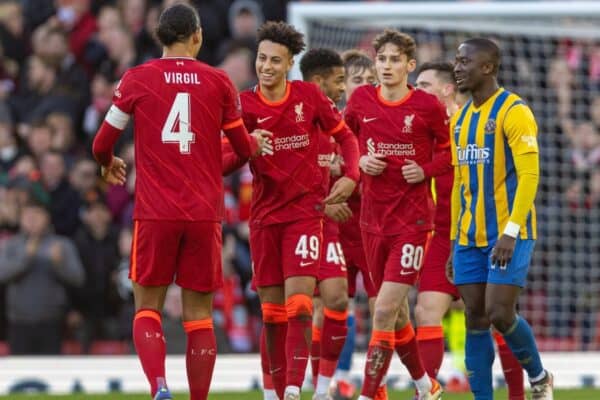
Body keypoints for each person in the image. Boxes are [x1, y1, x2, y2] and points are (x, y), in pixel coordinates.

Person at [91, 4, 268, 400]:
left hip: (155, 213)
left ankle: (159, 386)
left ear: (160, 38)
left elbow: (101, 143)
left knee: (147, 308)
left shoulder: (137, 78)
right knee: (199, 317)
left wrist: (108, 164)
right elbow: (241, 150)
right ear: (198, 36)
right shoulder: (219, 81)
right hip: (204, 214)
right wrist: (253, 144)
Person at [241, 21, 359, 400]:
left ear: (290, 62)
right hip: (263, 220)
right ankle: (272, 393)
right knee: (272, 315)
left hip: (305, 216)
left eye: (275, 60)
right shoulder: (243, 105)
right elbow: (221, 158)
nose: (266, 66)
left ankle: (296, 389)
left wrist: (352, 176)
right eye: (261, 58)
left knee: (301, 305)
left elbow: (347, 138)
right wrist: (247, 147)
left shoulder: (308, 96)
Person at [344, 29, 448, 400]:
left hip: (413, 223)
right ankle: (426, 384)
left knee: (384, 309)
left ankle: (369, 394)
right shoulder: (360, 101)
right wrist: (360, 159)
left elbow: (449, 153)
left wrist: (425, 170)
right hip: (372, 222)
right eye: (382, 59)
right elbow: (345, 140)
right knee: (398, 313)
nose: (386, 66)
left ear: (410, 65)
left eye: (394, 60)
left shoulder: (427, 106)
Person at [448, 37, 553, 400]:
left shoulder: (514, 110)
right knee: (474, 317)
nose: (457, 67)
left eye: (465, 61)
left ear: (488, 68)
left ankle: (539, 377)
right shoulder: (460, 120)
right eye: (456, 61)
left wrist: (509, 232)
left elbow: (530, 175)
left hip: (511, 231)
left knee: (498, 313)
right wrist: (452, 242)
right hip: (467, 236)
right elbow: (459, 185)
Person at [416, 61, 525, 399]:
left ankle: (518, 393)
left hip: (483, 231)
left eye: (423, 85)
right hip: (441, 232)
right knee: (426, 311)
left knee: (498, 317)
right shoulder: (422, 127)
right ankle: (428, 391)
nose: (415, 92)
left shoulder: (475, 122)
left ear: (447, 89)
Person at [299, 47, 351, 400]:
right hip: (293, 223)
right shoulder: (294, 116)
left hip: (328, 225)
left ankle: (322, 386)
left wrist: (345, 175)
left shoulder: (336, 120)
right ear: (318, 82)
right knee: (297, 308)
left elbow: (349, 154)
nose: (343, 89)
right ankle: (290, 382)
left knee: (336, 299)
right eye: (339, 81)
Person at [333, 49, 378, 400]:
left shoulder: (382, 122)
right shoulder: (331, 124)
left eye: (370, 81)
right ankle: (340, 376)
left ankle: (377, 382)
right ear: (343, 85)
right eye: (357, 80)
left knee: (385, 308)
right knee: (334, 305)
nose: (364, 87)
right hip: (338, 226)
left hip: (373, 228)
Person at [0, 196, 84, 355]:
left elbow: (78, 279)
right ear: (20, 219)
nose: (31, 220)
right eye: (27, 216)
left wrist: (59, 264)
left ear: (47, 218)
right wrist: (25, 258)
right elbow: (2, 275)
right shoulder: (10, 245)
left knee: (51, 372)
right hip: (18, 323)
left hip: (52, 323)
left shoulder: (62, 244)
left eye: (36, 215)